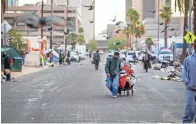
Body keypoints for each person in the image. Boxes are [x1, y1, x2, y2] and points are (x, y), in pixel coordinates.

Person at [182, 44, 196, 123]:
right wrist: (188, 83)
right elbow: (184, 73)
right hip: (191, 89)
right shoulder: (188, 59)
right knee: (190, 109)